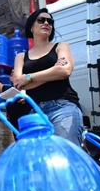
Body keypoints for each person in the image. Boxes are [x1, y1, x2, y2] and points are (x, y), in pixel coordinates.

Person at [9, 8, 83, 146]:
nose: (46, 23)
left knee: (64, 155)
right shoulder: (21, 56)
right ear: (31, 26)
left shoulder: (61, 46)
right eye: (41, 20)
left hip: (62, 107)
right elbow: (18, 84)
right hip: (34, 112)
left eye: (50, 21)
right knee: (39, 161)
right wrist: (54, 71)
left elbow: (65, 71)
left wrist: (29, 77)